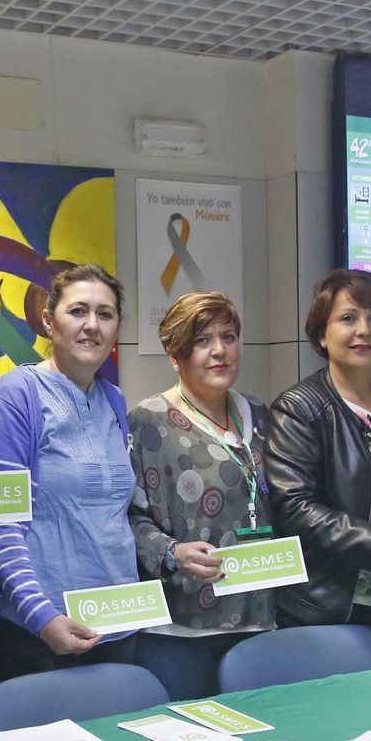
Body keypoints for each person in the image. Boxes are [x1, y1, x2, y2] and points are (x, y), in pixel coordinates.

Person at [0, 263, 137, 680]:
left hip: (118, 624)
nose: (92, 326)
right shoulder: (14, 397)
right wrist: (41, 616)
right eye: (78, 311)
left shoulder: (114, 401)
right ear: (48, 320)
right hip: (40, 634)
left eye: (105, 314)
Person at [265, 269, 371, 629]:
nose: (364, 330)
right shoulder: (299, 408)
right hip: (337, 602)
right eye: (348, 318)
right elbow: (295, 507)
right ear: (322, 335)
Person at [127, 291, 272, 699]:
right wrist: (172, 552)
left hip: (260, 620)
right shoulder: (148, 421)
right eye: (202, 341)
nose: (219, 351)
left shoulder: (260, 415)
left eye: (228, 336)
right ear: (176, 355)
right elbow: (128, 518)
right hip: (181, 629)